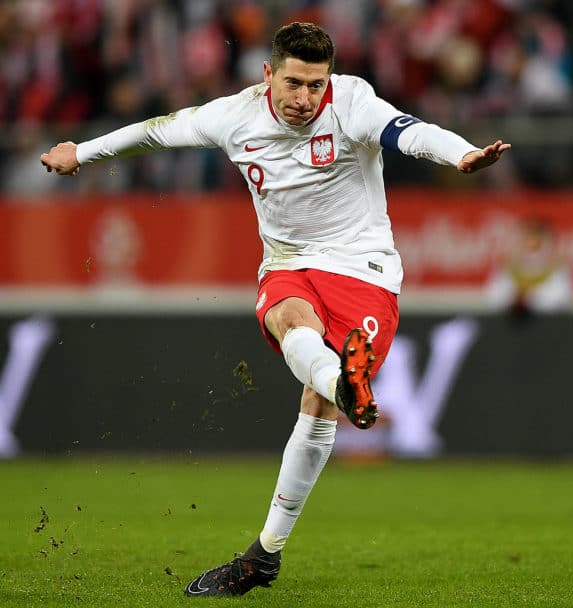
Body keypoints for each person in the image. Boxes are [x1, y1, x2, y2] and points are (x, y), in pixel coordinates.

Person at [40, 22, 511, 597]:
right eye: (293, 83)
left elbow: (409, 133)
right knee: (288, 317)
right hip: (288, 265)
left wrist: (461, 155)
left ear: (329, 80)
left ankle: (265, 553)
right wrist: (80, 152)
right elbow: (156, 132)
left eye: (316, 85)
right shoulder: (236, 115)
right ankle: (346, 381)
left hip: (364, 270)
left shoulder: (353, 102)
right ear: (268, 76)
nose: (304, 98)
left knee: (316, 401)